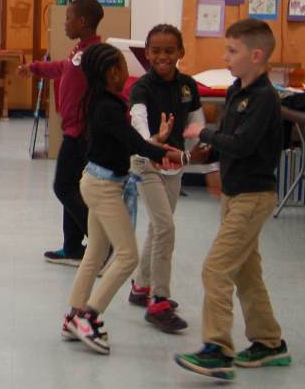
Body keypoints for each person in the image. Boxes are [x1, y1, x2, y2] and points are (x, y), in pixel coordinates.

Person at [175, 19, 292, 381]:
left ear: (256, 55)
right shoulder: (236, 92)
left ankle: (218, 350)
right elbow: (226, 141)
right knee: (246, 271)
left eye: (232, 51)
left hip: (253, 197)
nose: (225, 57)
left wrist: (203, 131)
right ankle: (270, 343)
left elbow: (241, 144)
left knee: (217, 268)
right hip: (234, 193)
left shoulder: (264, 99)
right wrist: (202, 158)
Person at [62, 43, 181, 355]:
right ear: (113, 73)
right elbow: (129, 140)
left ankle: (74, 315)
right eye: (123, 66)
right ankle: (89, 316)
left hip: (98, 181)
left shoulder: (106, 102)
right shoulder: (107, 107)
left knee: (97, 252)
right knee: (128, 256)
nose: (128, 71)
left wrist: (156, 144)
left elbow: (125, 142)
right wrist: (162, 153)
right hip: (102, 187)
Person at [126, 24, 208, 333]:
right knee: (165, 227)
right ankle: (159, 300)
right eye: (156, 51)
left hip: (174, 165)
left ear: (180, 53)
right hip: (145, 162)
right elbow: (137, 120)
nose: (162, 56)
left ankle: (141, 287)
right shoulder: (141, 87)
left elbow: (196, 120)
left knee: (158, 227)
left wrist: (202, 141)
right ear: (146, 54)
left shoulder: (187, 85)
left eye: (169, 51)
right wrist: (152, 142)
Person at [17, 0, 104, 266]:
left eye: (68, 18)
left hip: (79, 134)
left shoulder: (92, 55)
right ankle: (72, 247)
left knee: (63, 187)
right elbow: (61, 69)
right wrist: (34, 68)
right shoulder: (79, 52)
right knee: (74, 186)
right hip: (73, 130)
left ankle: (101, 245)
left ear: (82, 22)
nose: (64, 23)